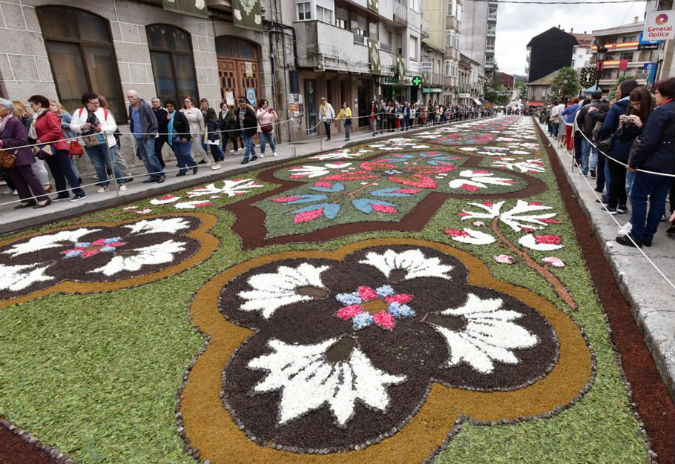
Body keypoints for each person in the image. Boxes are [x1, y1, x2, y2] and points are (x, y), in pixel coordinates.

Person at [616, 78, 674, 247]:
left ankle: (637, 235)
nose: (655, 96)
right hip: (670, 168)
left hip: (652, 165)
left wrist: (634, 162)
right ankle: (648, 236)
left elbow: (648, 142)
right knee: (659, 199)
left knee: (638, 197)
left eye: (657, 93)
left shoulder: (661, 112)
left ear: (665, 94)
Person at [28, 94, 86, 201]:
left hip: (58, 146)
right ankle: (62, 193)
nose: (31, 107)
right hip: (48, 148)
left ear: (39, 104)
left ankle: (79, 192)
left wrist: (41, 140)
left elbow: (56, 131)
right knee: (55, 171)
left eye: (32, 105)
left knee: (67, 170)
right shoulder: (39, 116)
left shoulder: (49, 115)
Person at [70, 92, 126, 193]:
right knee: (98, 164)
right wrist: (82, 127)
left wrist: (102, 128)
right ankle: (104, 184)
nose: (97, 105)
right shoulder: (78, 112)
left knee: (112, 163)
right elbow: (72, 126)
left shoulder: (104, 111)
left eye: (98, 102)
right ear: (87, 103)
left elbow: (113, 127)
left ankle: (120, 182)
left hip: (106, 141)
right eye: (94, 103)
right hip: (89, 142)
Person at [598, 79, 639, 214]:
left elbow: (607, 127)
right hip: (635, 149)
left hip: (618, 146)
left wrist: (603, 140)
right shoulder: (645, 106)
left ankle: (612, 204)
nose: (616, 94)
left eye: (618, 91)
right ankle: (622, 204)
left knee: (615, 175)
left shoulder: (618, 106)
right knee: (625, 176)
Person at [0, 98, 50, 208]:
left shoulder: (14, 121)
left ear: (8, 109)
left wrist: (3, 141)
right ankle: (27, 200)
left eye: (0, 107)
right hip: (9, 155)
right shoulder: (2, 121)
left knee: (29, 177)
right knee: (16, 178)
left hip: (20, 154)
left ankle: (43, 198)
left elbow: (22, 140)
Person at [128, 90, 164, 183]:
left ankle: (161, 174)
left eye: (132, 97)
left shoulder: (144, 106)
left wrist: (151, 133)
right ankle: (153, 175)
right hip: (137, 135)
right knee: (144, 157)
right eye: (128, 97)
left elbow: (153, 121)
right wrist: (132, 130)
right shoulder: (130, 107)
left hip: (147, 135)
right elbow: (132, 120)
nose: (130, 99)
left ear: (137, 97)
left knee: (151, 155)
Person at [14, 100, 50, 192]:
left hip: (33, 145)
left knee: (39, 165)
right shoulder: (21, 120)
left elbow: (26, 134)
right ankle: (42, 185)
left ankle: (46, 185)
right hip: (28, 146)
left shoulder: (28, 119)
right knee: (34, 167)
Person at [49, 100, 82, 184]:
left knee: (70, 161)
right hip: (60, 142)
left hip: (69, 140)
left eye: (53, 105)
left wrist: (62, 123)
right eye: (50, 106)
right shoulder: (50, 117)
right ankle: (75, 178)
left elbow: (73, 125)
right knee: (67, 161)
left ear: (58, 106)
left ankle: (76, 178)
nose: (51, 107)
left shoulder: (64, 114)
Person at [577, 90, 608, 176]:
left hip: (586, 133)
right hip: (599, 133)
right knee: (595, 152)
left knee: (585, 152)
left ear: (591, 97)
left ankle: (584, 170)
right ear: (600, 97)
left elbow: (579, 120)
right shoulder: (606, 107)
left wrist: (581, 131)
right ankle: (593, 167)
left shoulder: (585, 107)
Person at [164, 99, 197, 177]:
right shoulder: (166, 115)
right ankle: (182, 170)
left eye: (171, 106)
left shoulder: (179, 114)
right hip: (173, 138)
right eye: (167, 106)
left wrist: (185, 136)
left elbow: (186, 125)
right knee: (178, 155)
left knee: (184, 154)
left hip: (183, 138)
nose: (169, 108)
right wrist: (166, 120)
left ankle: (193, 164)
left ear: (174, 106)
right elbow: (163, 126)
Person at [181, 96, 208, 164]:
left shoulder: (196, 110)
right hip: (187, 132)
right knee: (190, 149)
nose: (187, 103)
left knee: (199, 147)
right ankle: (192, 163)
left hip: (196, 130)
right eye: (185, 102)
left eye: (188, 101)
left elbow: (201, 121)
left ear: (191, 102)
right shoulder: (182, 111)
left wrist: (203, 130)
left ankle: (207, 160)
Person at [237, 96, 258, 164]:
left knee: (248, 144)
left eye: (243, 105)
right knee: (248, 144)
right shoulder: (238, 110)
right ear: (239, 104)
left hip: (249, 130)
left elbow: (254, 120)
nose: (242, 106)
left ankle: (246, 159)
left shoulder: (249, 110)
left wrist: (245, 118)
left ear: (246, 103)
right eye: (241, 105)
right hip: (242, 129)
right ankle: (254, 155)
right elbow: (237, 119)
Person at [151, 97, 169, 168]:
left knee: (174, 148)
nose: (155, 103)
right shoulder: (151, 111)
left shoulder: (164, 111)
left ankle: (182, 162)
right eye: (153, 102)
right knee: (157, 150)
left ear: (159, 103)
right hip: (158, 134)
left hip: (165, 132)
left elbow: (163, 122)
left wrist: (164, 121)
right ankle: (162, 165)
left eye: (156, 102)